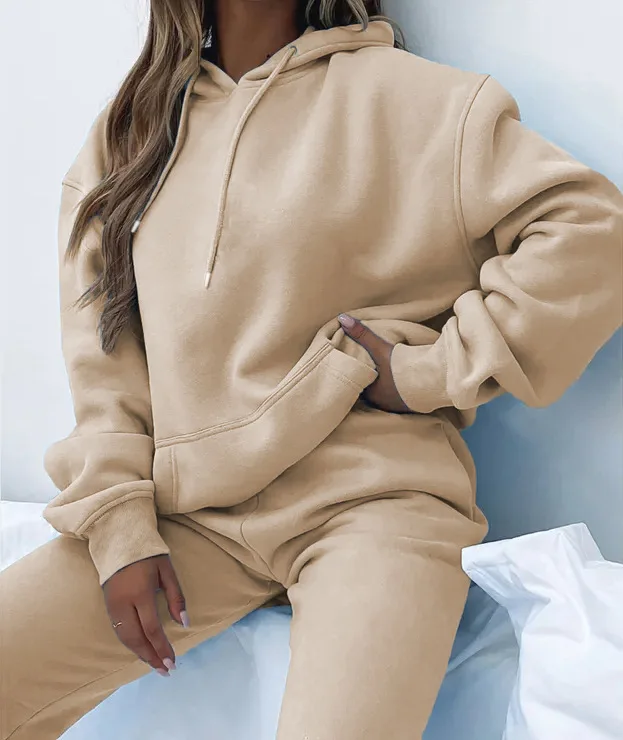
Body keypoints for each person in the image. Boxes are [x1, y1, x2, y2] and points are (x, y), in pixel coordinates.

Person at [2, 1, 622, 738]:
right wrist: (118, 526)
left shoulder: (412, 98)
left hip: (373, 504)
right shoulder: (129, 135)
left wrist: (428, 372)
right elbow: (103, 364)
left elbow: (591, 231)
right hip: (189, 516)